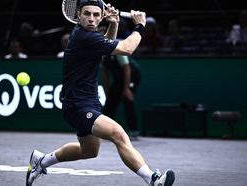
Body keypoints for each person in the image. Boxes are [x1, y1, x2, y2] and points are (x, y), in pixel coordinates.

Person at [26, 1, 175, 186]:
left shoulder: (89, 37)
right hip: (77, 105)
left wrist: (113, 23)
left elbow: (104, 50)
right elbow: (127, 49)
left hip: (88, 101)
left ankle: (41, 161)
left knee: (89, 151)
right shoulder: (84, 37)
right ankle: (153, 179)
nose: (91, 19)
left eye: (96, 15)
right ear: (78, 15)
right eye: (87, 14)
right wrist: (140, 26)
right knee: (118, 134)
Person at [101, 55, 141, 140]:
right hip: (119, 79)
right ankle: (105, 131)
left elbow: (127, 68)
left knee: (127, 100)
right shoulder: (102, 55)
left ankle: (133, 132)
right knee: (109, 104)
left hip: (132, 76)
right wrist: (107, 91)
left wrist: (126, 89)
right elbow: (105, 73)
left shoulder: (119, 52)